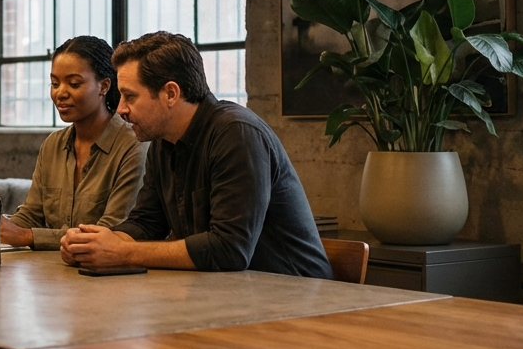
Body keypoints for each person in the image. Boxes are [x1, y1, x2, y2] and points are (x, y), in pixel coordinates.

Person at [61, 31, 332, 278]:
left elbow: (229, 250)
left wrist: (122, 253)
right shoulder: (163, 142)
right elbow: (146, 223)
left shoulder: (236, 133)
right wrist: (94, 243)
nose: (120, 108)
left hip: (299, 298)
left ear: (170, 93)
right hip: (233, 295)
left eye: (130, 97)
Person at [0, 36, 146, 251]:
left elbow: (112, 228)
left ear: (104, 85)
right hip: (53, 273)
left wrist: (27, 236)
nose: (60, 93)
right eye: (54, 83)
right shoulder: (53, 144)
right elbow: (32, 214)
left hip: (108, 277)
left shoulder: (133, 144)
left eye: (74, 83)